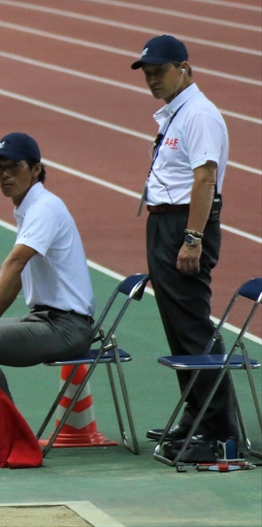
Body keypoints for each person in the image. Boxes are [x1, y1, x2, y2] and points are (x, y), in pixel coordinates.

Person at [0, 133, 95, 462]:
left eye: (14, 167)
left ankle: (7, 436)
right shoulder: (29, 209)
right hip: (43, 319)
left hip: (68, 327)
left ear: (37, 169)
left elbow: (15, 263)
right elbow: (14, 273)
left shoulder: (44, 209)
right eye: (0, 169)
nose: (5, 175)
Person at [132, 35, 237, 454]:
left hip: (184, 227)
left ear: (184, 68)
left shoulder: (199, 115)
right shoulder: (175, 114)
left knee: (193, 327)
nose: (153, 80)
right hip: (166, 224)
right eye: (148, 74)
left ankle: (219, 432)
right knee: (179, 328)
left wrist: (192, 238)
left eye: (160, 72)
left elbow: (205, 179)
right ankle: (198, 415)